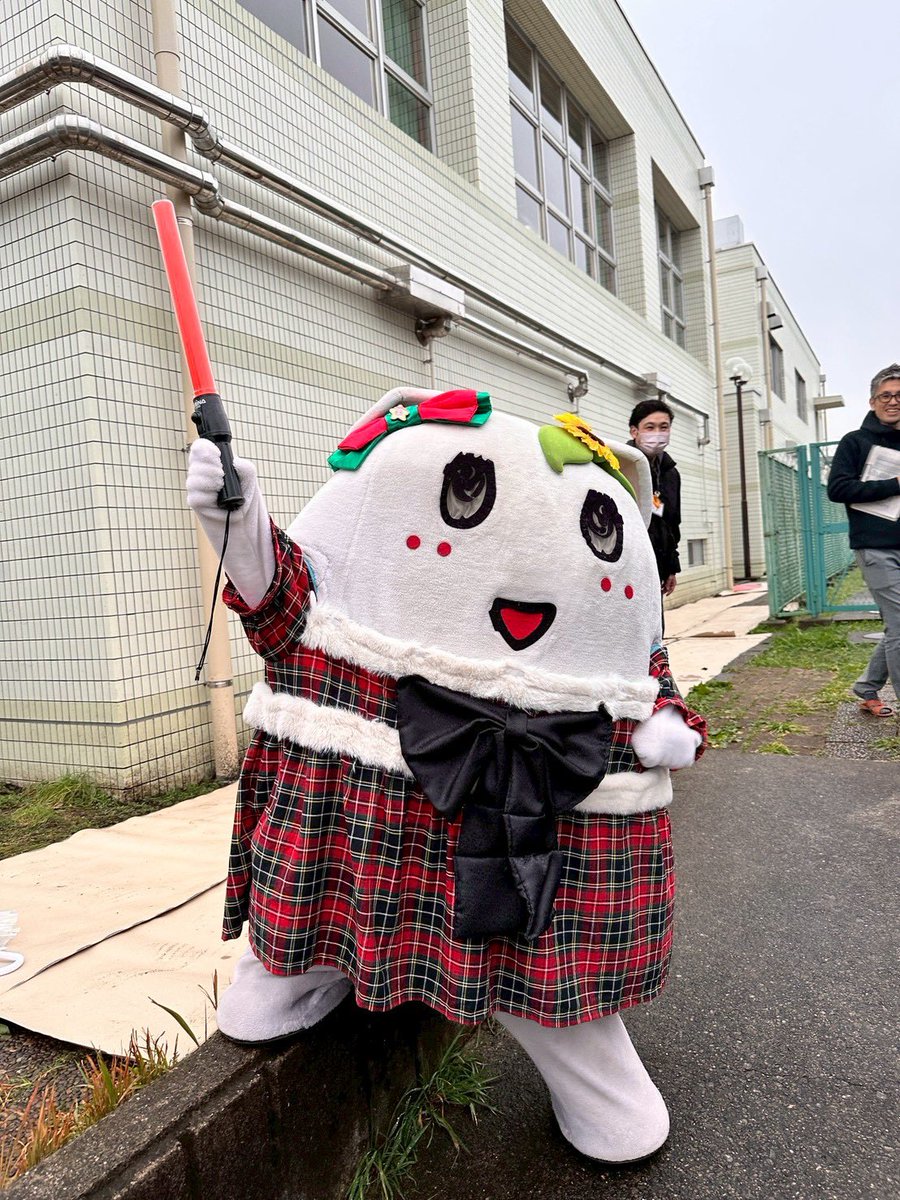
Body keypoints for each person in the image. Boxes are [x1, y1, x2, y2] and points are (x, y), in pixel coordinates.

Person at [186, 392, 706, 1164]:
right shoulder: (388, 490)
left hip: (546, 811)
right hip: (382, 814)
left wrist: (664, 714)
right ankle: (306, 969)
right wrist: (239, 523)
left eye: (604, 529)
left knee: (553, 970)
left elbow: (642, 652)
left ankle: (584, 1061)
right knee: (317, 932)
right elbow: (290, 607)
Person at [826, 364, 900, 717]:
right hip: (876, 547)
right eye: (886, 395)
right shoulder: (855, 442)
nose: (893, 401)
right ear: (873, 401)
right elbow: (838, 489)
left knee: (897, 625)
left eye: (899, 395)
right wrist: (894, 484)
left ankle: (868, 686)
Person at [628, 400, 681, 617]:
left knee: (655, 627)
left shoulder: (670, 473)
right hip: (627, 568)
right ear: (634, 431)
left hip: (656, 567)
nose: (657, 433)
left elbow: (672, 523)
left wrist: (671, 567)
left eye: (663, 427)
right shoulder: (619, 465)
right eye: (650, 427)